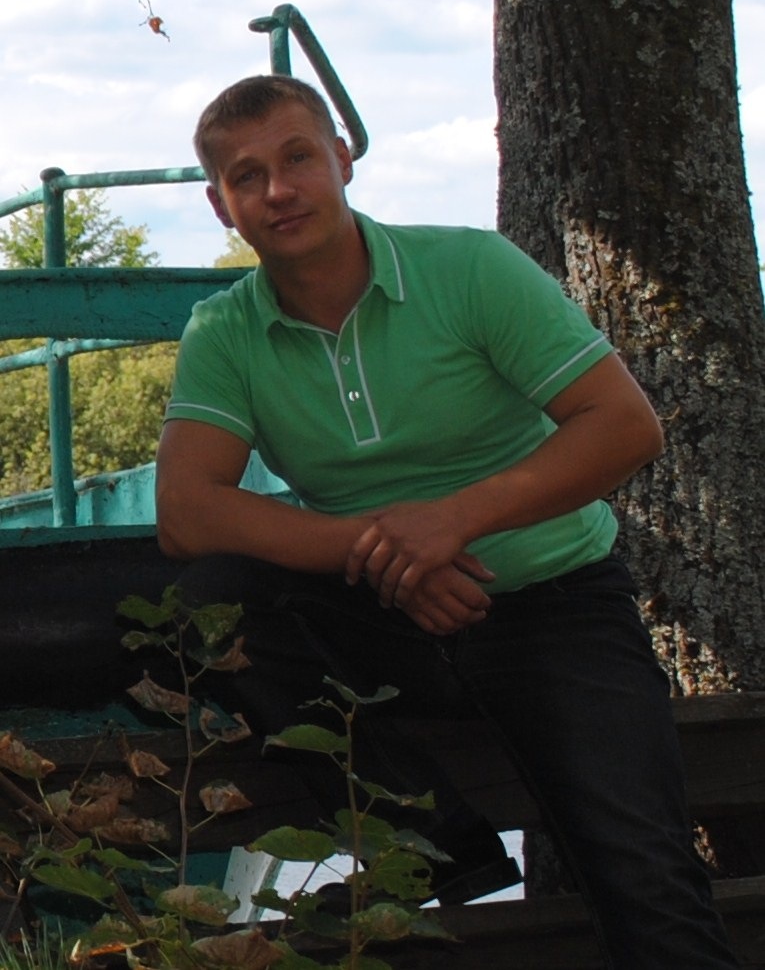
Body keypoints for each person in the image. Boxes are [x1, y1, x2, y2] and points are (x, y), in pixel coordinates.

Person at [155, 74, 739, 968]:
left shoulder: (468, 269)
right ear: (219, 205)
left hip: (552, 604)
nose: (277, 190)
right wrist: (389, 552)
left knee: (645, 882)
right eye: (246, 176)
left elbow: (624, 426)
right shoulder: (224, 330)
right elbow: (187, 512)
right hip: (382, 614)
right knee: (210, 598)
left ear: (343, 158)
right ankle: (424, 840)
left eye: (298, 158)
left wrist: (454, 520)